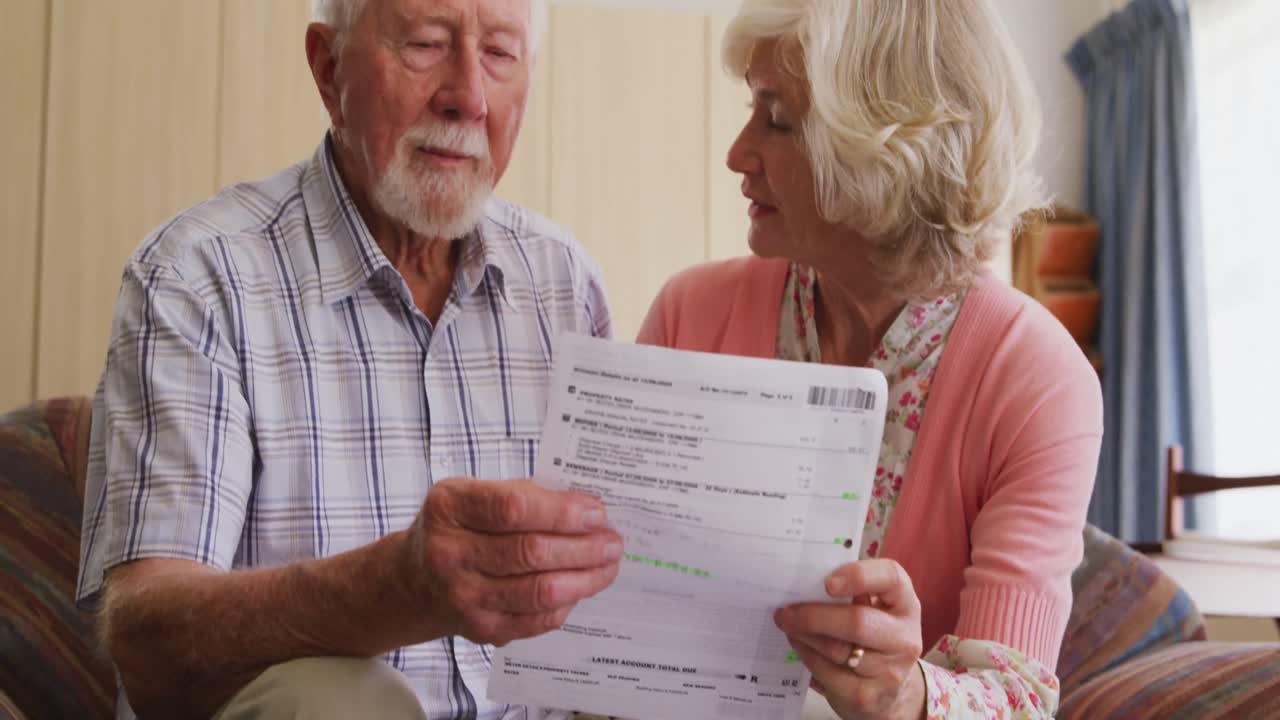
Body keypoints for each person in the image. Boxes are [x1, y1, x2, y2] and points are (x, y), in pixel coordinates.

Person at [75, 1, 622, 718]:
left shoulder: (564, 282)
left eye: (500, 54)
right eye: (426, 44)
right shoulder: (197, 277)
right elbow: (145, 637)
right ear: (328, 70)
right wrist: (393, 589)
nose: (469, 96)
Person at [638, 1, 1102, 718]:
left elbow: (1016, 698)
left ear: (884, 153)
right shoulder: (690, 314)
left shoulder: (1037, 382)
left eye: (777, 117)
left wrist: (907, 697)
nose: (737, 152)